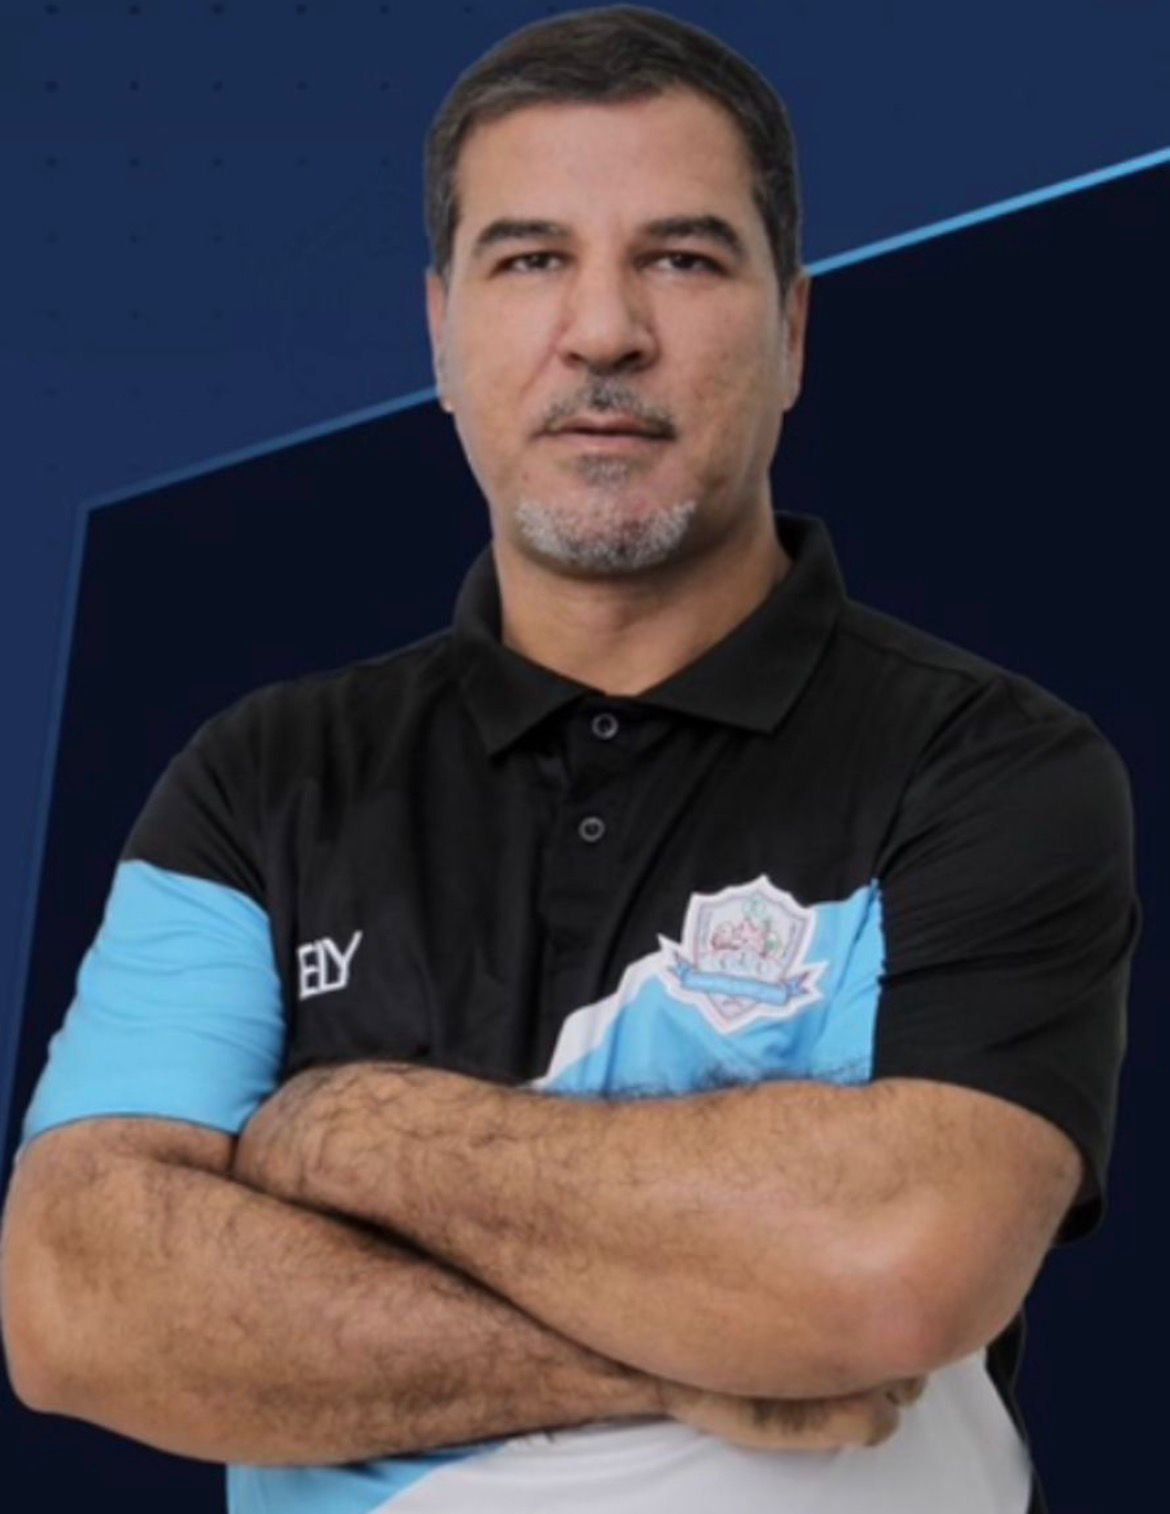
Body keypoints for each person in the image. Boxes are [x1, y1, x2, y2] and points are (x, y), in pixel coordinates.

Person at [0, 7, 1139, 1513]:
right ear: (440, 334)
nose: (604, 331)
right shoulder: (260, 783)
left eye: (684, 259)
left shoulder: (993, 768)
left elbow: (890, 1273)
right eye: (532, 259)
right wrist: (694, 1354)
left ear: (793, 334)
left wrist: (348, 1132)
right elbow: (77, 1303)